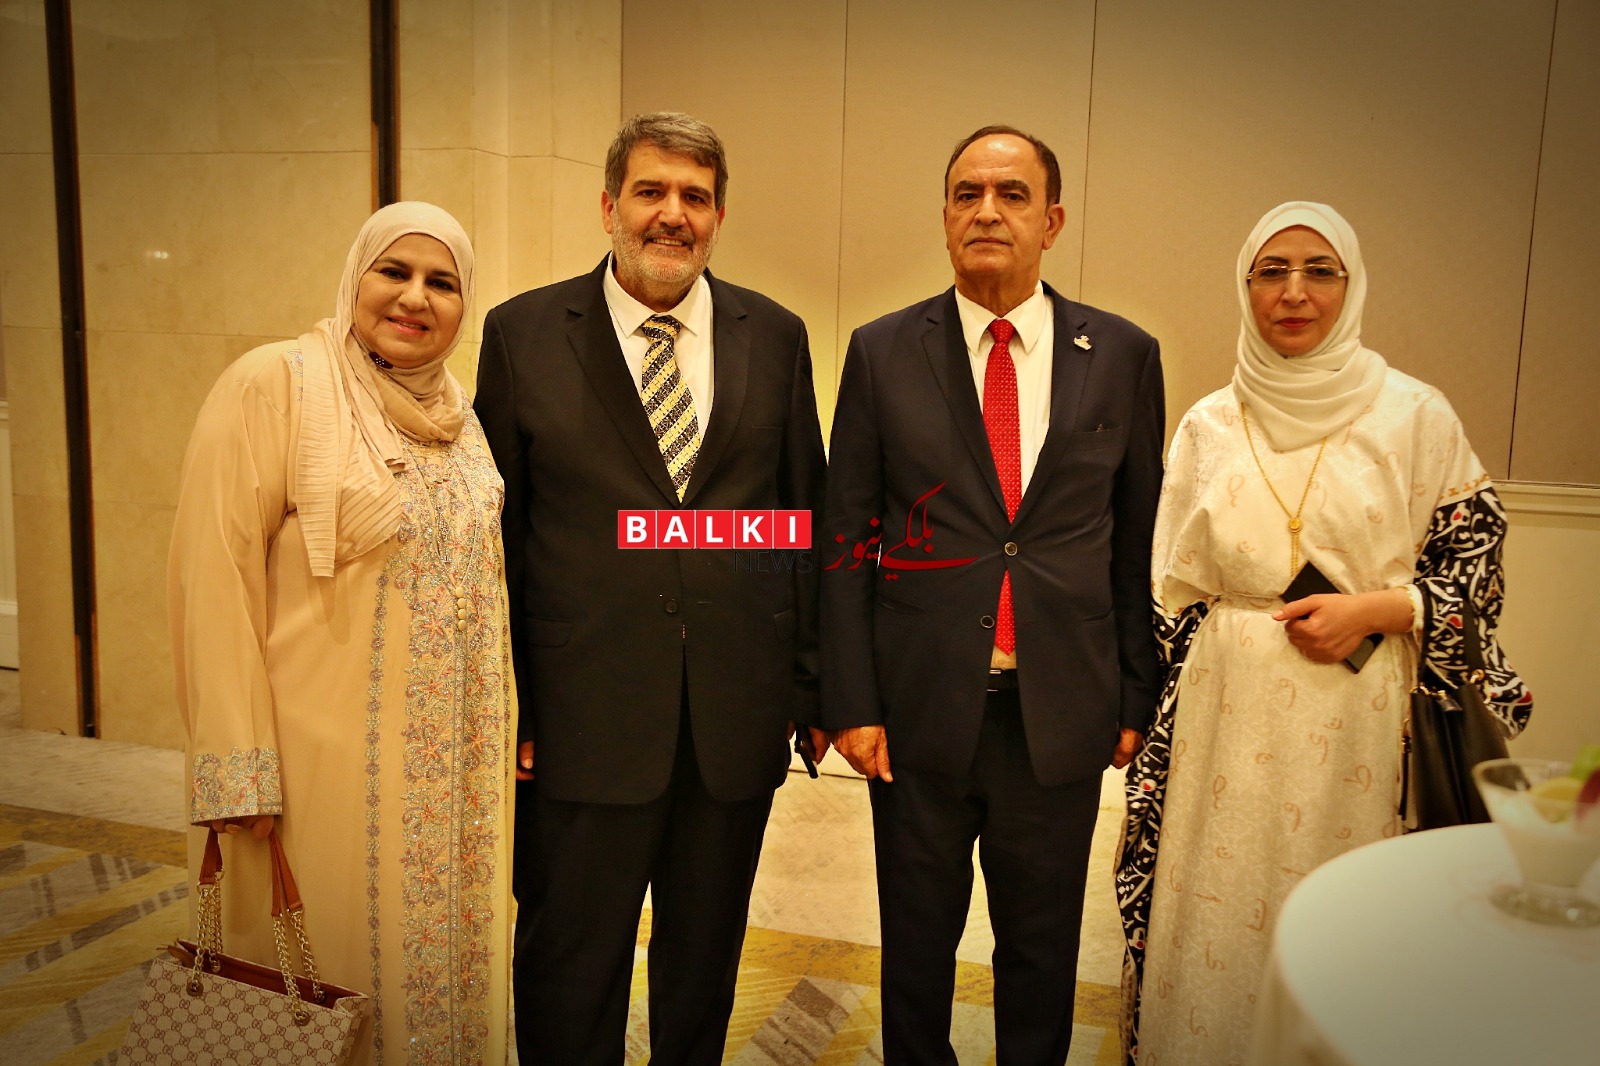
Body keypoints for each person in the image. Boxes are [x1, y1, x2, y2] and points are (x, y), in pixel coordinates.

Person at [1116, 201, 1533, 1065]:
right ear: (1246, 288)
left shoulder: (1415, 415)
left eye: (1320, 271)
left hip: (1357, 719)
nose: (1294, 293)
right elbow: (1166, 591)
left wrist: (1378, 611)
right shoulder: (1208, 422)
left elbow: (1476, 571)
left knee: (1339, 903)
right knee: (1216, 900)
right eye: (1271, 272)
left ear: (1352, 284)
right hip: (1225, 716)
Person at [474, 112, 828, 1064]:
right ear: (608, 207)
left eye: (695, 197)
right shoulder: (523, 334)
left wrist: (805, 687)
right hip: (579, 720)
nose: (673, 214)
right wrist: (514, 707)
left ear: (719, 216)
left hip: (732, 722)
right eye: (651, 191)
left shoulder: (775, 335)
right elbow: (499, 541)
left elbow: (799, 521)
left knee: (703, 966)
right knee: (569, 962)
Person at [821, 124, 1165, 1063]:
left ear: (1052, 222)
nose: (987, 211)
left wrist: (1133, 693)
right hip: (918, 712)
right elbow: (846, 541)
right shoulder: (883, 351)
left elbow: (1137, 539)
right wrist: (851, 701)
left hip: (1060, 713)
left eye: (1012, 195)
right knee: (916, 954)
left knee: (1042, 958)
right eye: (967, 193)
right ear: (943, 217)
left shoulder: (1123, 354)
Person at [170, 202, 513, 1063]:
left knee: (441, 985)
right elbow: (213, 574)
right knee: (319, 991)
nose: (415, 298)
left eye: (442, 282)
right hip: (314, 776)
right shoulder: (276, 386)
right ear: (356, 276)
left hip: (453, 789)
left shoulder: (462, 419)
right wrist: (236, 764)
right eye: (394, 271)